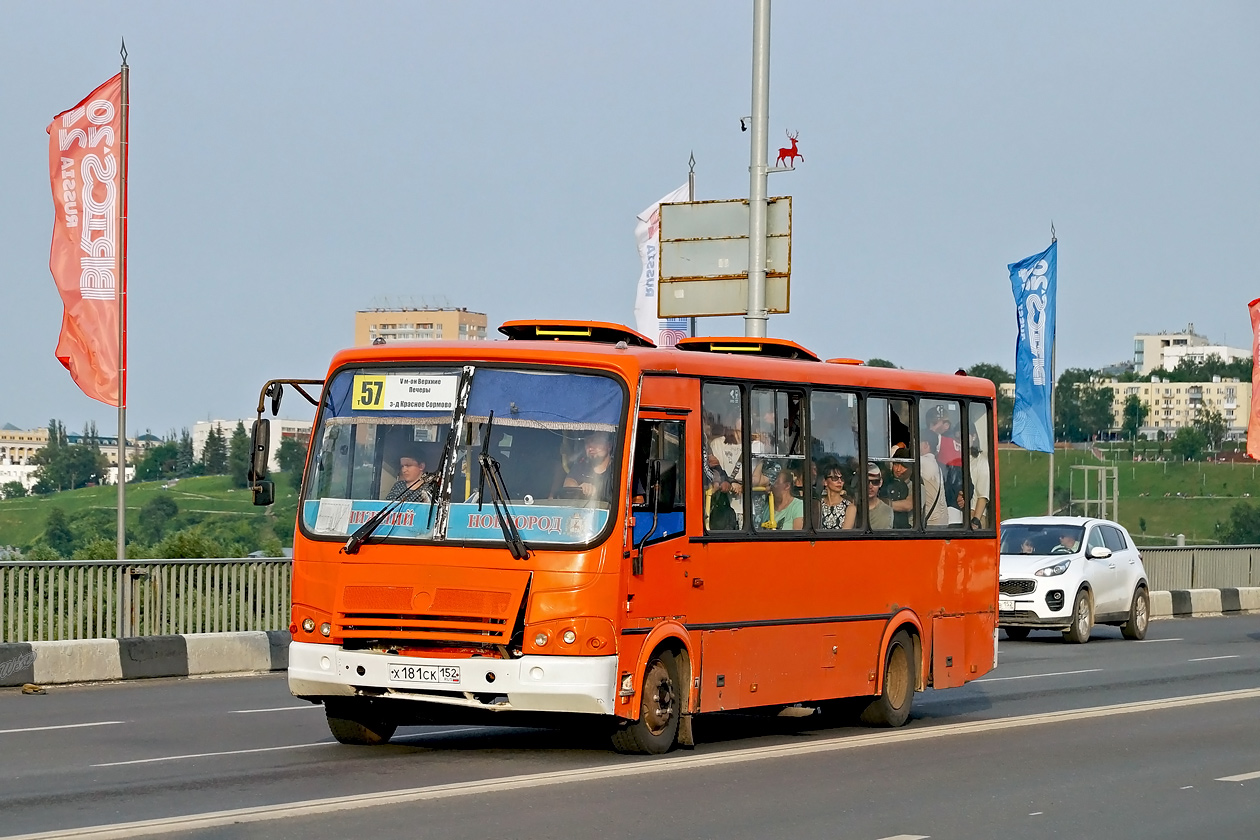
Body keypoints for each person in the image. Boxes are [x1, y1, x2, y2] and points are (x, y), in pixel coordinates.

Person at [564, 431, 615, 503]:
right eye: (587, 442)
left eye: (595, 441)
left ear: (609, 446)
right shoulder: (581, 466)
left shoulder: (618, 469)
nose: (590, 447)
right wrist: (579, 489)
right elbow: (568, 483)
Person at [919, 433, 949, 529]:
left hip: (931, 521)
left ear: (925, 444)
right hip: (943, 520)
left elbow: (892, 464)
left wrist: (897, 446)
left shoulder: (922, 462)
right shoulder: (936, 464)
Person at [818, 458, 857, 530]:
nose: (840, 481)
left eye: (842, 478)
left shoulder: (850, 507)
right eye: (835, 478)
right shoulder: (818, 505)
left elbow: (845, 534)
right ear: (825, 482)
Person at [881, 447, 914, 528]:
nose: (898, 469)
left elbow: (908, 505)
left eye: (904, 466)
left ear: (911, 468)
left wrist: (880, 503)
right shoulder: (888, 484)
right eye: (896, 464)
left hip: (911, 532)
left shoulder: (917, 486)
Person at [768, 463, 803, 530]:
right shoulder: (767, 505)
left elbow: (798, 533)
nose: (772, 486)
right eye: (772, 482)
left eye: (776, 483)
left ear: (787, 486)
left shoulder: (798, 506)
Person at [968, 428, 990, 529]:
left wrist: (976, 520)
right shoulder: (957, 459)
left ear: (974, 436)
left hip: (975, 514)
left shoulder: (981, 461)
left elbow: (983, 495)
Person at [867, 463, 893, 529]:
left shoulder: (887, 511)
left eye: (875, 482)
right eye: (866, 482)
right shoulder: (854, 509)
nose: (870, 486)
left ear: (880, 483)